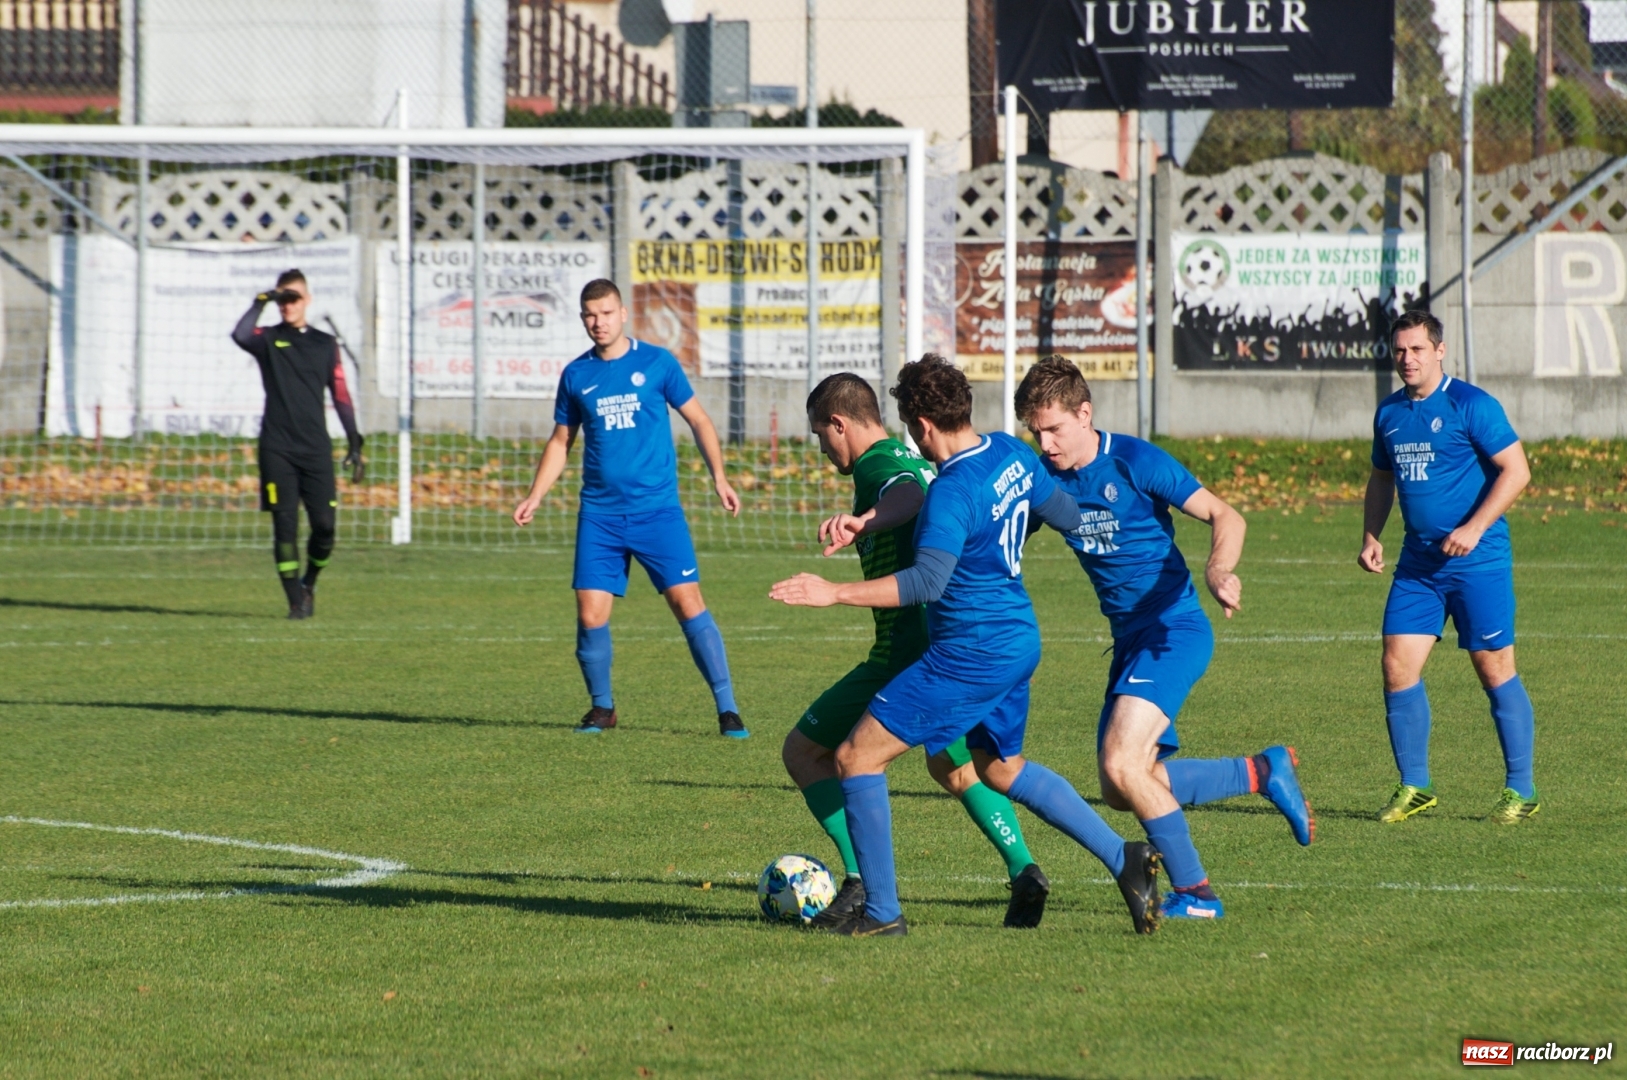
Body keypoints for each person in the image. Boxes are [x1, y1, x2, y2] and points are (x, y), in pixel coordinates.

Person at [771, 355, 1161, 937]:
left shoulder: (950, 493)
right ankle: (1122, 857)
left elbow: (925, 583)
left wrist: (834, 593)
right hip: (1018, 638)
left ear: (922, 424)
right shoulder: (1010, 452)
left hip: (967, 651)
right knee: (997, 769)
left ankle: (880, 913)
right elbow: (1067, 513)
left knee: (855, 757)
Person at [1014, 355, 1314, 924]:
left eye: (1054, 428)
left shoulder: (1134, 460)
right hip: (1130, 639)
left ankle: (1197, 895)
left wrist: (1218, 570)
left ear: (1085, 413)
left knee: (1123, 761)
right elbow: (999, 524)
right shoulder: (1043, 479)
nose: (1046, 443)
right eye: (1036, 432)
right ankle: (1262, 772)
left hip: (1174, 629)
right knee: (1121, 786)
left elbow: (1227, 516)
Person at [787, 372, 1047, 930]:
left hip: (904, 651)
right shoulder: (911, 458)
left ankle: (862, 885)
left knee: (808, 751)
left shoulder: (880, 464)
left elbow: (908, 492)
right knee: (954, 766)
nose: (822, 447)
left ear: (839, 424)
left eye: (820, 434)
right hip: (943, 645)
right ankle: (1024, 867)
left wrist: (867, 521)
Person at [513, 279, 746, 738]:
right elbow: (562, 440)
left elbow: (698, 419)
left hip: (657, 512)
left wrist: (719, 476)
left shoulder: (657, 362)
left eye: (604, 313)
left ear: (623, 314)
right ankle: (602, 708)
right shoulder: (577, 375)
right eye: (589, 315)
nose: (597, 323)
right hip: (599, 515)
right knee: (589, 614)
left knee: (687, 602)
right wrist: (536, 494)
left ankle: (727, 708)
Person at [1359, 310, 1538, 824]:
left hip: (1478, 561)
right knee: (1396, 666)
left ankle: (1521, 790)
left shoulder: (1472, 404)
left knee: (1494, 667)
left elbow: (1516, 470)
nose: (1407, 359)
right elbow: (1380, 478)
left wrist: (1476, 526)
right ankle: (1415, 786)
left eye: (1417, 349)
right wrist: (1372, 535)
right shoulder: (1389, 413)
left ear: (1439, 350)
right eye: (1399, 350)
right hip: (1419, 563)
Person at [231, 269, 363, 620]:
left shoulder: (325, 344)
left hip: (316, 450)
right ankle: (294, 603)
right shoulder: (268, 339)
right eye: (283, 299)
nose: (288, 306)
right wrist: (262, 300)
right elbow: (241, 333)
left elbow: (341, 393)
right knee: (284, 525)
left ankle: (309, 582)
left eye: (294, 299)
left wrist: (354, 439)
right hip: (277, 448)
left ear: (308, 300)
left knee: (325, 526)